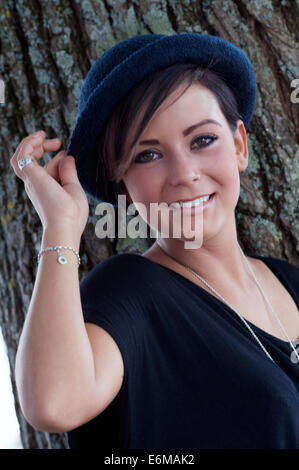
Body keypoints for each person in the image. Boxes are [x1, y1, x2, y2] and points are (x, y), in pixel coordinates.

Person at [11, 33, 299, 449]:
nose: (184, 173)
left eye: (202, 140)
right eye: (148, 155)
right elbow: (53, 404)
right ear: (121, 182)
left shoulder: (288, 280)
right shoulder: (129, 294)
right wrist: (61, 224)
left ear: (239, 145)